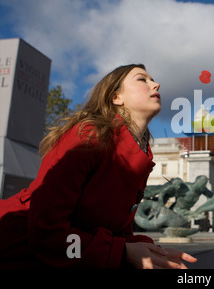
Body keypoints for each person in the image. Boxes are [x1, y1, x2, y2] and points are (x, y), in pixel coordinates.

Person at [0, 64, 197, 269]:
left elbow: (112, 232)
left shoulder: (140, 155)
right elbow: (46, 232)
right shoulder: (88, 136)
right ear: (116, 98)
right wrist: (122, 252)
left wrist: (150, 251)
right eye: (142, 79)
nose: (156, 84)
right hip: (13, 247)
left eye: (152, 79)